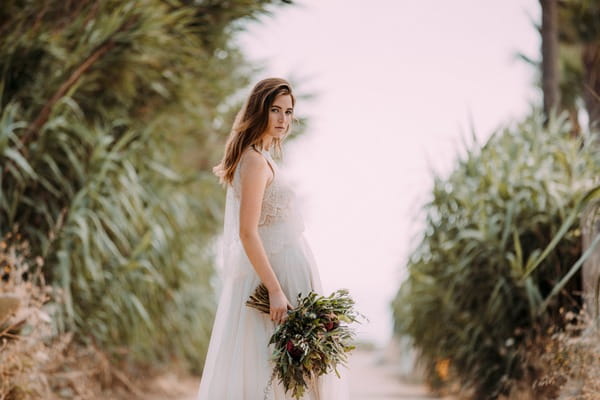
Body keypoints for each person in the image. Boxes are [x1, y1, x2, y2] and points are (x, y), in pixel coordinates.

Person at [197, 78, 349, 399]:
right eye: (275, 110)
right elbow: (247, 232)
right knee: (274, 372)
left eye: (289, 112)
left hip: (285, 271)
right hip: (274, 278)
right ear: (259, 111)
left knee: (292, 374)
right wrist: (275, 289)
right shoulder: (253, 160)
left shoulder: (264, 158)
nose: (283, 119)